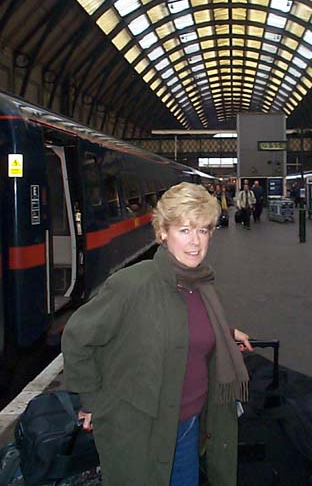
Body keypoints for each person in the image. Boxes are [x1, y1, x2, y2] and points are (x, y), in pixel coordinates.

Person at [62, 182, 253, 486]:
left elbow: (180, 325)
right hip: (140, 428)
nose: (195, 242)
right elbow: (77, 338)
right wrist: (92, 401)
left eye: (203, 230)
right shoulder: (132, 283)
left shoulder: (201, 284)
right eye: (184, 230)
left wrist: (225, 333)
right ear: (163, 233)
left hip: (190, 423)